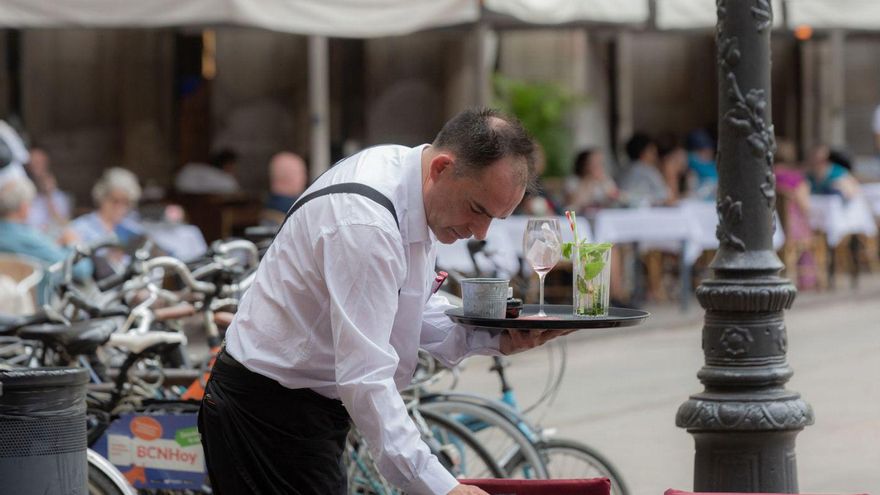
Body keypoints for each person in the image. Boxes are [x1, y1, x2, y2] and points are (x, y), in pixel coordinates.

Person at [199, 108, 570, 495]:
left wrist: (494, 335)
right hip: (265, 414)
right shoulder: (367, 224)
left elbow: (406, 307)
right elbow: (366, 376)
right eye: (477, 209)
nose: (480, 231)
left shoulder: (409, 179)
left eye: (497, 218)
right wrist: (442, 487)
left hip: (299, 407)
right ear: (441, 168)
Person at [0, 175, 92, 301]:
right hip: (34, 312)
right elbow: (81, 270)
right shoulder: (29, 238)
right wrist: (72, 243)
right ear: (23, 207)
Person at [70, 167, 144, 277]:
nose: (120, 207)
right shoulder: (80, 227)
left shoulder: (132, 229)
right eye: (115, 201)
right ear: (102, 197)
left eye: (126, 202)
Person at [25, 146, 74, 238]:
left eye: (38, 163)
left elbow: (64, 225)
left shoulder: (60, 197)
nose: (34, 167)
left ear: (46, 163)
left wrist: (49, 196)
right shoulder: (22, 192)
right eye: (31, 163)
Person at [619, 132, 671, 206]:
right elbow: (666, 195)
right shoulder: (648, 170)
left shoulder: (623, 169)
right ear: (643, 153)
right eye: (652, 152)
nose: (655, 156)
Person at [566, 148, 620, 214]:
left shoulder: (605, 179)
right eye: (593, 163)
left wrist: (603, 183)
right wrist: (587, 182)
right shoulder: (573, 181)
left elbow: (616, 197)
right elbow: (573, 204)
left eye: (600, 163)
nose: (597, 166)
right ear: (584, 164)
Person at [262, 151, 308, 225]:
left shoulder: (269, 204)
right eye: (301, 173)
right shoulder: (298, 207)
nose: (305, 178)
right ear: (287, 176)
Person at [174, 148, 241, 194]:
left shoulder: (188, 168)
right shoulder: (227, 180)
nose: (235, 169)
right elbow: (234, 190)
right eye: (233, 165)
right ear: (227, 165)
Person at [684, 129, 718, 200]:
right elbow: (691, 189)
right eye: (701, 150)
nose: (707, 152)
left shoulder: (713, 164)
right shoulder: (691, 160)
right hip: (699, 202)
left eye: (709, 149)